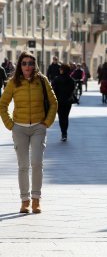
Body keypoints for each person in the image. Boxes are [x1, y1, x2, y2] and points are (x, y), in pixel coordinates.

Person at [0, 51, 58, 214]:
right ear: (20, 65)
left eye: (30, 63)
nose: (27, 66)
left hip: (38, 127)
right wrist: (10, 124)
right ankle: (24, 200)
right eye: (24, 63)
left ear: (35, 65)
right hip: (19, 128)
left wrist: (47, 122)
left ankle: (36, 200)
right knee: (23, 165)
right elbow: (2, 104)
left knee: (37, 163)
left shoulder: (42, 80)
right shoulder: (13, 82)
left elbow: (53, 102)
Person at [51, 64, 75, 141]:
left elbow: (52, 90)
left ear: (63, 70)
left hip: (59, 101)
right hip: (68, 102)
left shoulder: (57, 79)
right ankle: (65, 133)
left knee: (61, 118)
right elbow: (72, 90)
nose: (59, 70)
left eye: (61, 69)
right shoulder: (71, 80)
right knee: (66, 117)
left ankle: (63, 133)